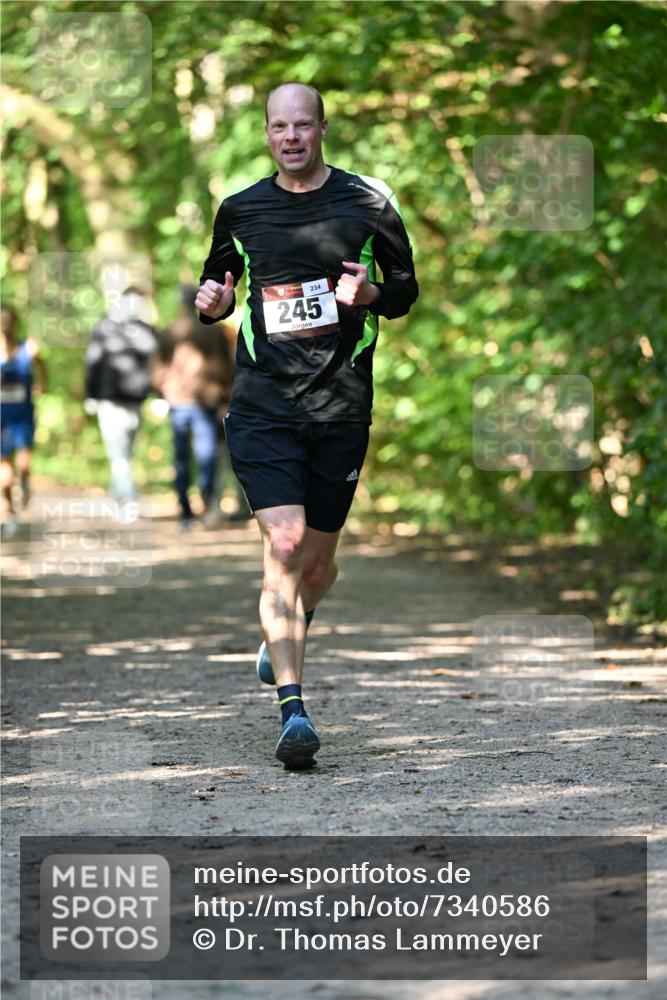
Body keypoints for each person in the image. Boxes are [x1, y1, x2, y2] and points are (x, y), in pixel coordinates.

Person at [196, 82, 418, 768]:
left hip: (340, 404)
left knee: (317, 566)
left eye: (302, 126)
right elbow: (216, 286)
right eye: (278, 127)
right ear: (266, 134)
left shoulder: (368, 201)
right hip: (263, 404)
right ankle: (293, 711)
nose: (290, 137)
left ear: (322, 129)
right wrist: (213, 303)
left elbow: (405, 290)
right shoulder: (240, 209)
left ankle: (290, 622)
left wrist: (371, 293)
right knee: (286, 545)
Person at [151, 284, 238, 530]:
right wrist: (225, 397)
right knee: (206, 456)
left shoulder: (170, 330)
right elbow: (225, 366)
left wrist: (162, 391)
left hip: (179, 402)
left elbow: (158, 368)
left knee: (181, 458)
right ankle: (206, 506)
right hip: (206, 402)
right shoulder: (214, 331)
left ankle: (185, 513)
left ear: (180, 302)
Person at [84, 287, 157, 504]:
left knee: (126, 451)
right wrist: (91, 395)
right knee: (118, 451)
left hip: (135, 400)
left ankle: (118, 493)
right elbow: (93, 362)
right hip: (109, 400)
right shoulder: (105, 328)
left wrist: (157, 395)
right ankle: (127, 497)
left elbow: (155, 364)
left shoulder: (146, 331)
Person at [1, 305, 46, 539]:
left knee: (24, 463)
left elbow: (41, 366)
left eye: (8, 320)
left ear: (15, 323)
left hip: (23, 415)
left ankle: (26, 485)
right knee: (5, 471)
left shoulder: (27, 348)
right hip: (1, 418)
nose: (5, 325)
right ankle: (10, 512)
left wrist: (41, 383)